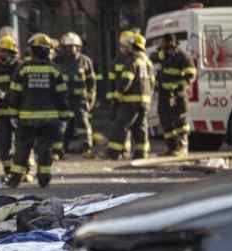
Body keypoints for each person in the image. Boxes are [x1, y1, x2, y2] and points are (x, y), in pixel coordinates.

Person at [7, 33, 69, 188]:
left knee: (22, 148)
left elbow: (15, 93)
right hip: (49, 119)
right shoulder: (54, 70)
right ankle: (44, 179)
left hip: (26, 118)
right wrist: (64, 117)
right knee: (45, 149)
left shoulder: (23, 69)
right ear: (48, 51)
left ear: (32, 50)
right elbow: (62, 96)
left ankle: (15, 179)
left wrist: (13, 114)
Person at [105, 32, 154, 160]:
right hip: (145, 101)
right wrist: (149, 96)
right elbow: (153, 82)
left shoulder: (132, 60)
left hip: (130, 100)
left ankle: (113, 153)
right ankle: (141, 153)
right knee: (140, 127)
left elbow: (127, 79)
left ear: (133, 46)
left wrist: (117, 95)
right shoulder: (147, 61)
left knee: (120, 125)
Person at [150, 33, 197, 157]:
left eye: (162, 41)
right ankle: (171, 148)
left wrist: (178, 86)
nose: (160, 44)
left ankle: (182, 147)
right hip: (164, 94)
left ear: (170, 42)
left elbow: (191, 74)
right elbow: (152, 58)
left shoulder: (181, 56)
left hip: (177, 94)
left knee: (179, 121)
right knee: (166, 121)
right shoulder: (162, 55)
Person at [56, 32, 96, 159]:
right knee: (62, 126)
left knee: (83, 124)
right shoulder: (57, 61)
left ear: (78, 47)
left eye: (71, 46)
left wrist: (91, 98)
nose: (68, 49)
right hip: (63, 100)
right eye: (66, 47)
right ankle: (59, 150)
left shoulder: (85, 61)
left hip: (80, 100)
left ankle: (87, 149)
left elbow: (92, 82)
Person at [0, 34, 21, 178]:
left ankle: (23, 171)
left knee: (21, 145)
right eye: (0, 51)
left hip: (19, 113)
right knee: (3, 145)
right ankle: (8, 172)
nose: (1, 54)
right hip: (2, 113)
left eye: (4, 51)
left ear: (12, 52)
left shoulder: (20, 67)